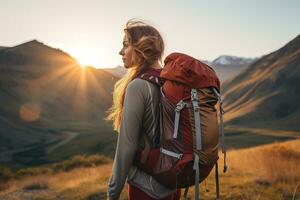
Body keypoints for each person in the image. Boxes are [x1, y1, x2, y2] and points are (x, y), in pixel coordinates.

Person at [106, 19, 181, 200]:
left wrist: (112, 193)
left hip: (146, 189)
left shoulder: (138, 86)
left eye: (125, 45)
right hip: (173, 182)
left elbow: (126, 146)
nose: (121, 52)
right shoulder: (172, 82)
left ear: (141, 48)